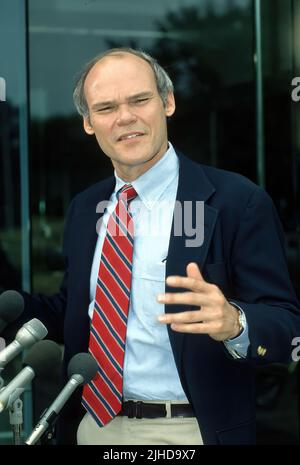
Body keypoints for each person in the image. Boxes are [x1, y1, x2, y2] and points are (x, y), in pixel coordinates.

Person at [9, 47, 300, 445]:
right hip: (93, 426)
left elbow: (286, 325)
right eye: (106, 107)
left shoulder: (237, 202)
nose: (125, 117)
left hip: (190, 431)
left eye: (140, 100)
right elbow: (81, 310)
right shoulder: (85, 208)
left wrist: (235, 322)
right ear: (89, 123)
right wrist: (14, 306)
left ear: (168, 102)